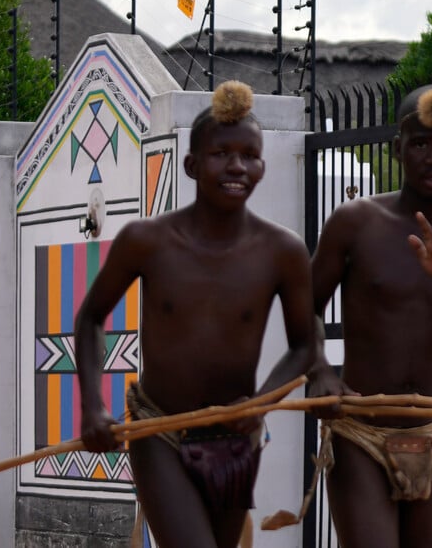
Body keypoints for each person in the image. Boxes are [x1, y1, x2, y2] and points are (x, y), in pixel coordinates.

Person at [75, 80, 318, 548]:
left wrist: (261, 403)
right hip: (157, 428)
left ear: (263, 165)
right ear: (191, 164)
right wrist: (93, 404)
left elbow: (306, 345)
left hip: (235, 441)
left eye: (250, 155)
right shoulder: (146, 241)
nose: (237, 166)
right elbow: (90, 317)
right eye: (221, 154)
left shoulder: (283, 251)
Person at [307, 84, 432, 547]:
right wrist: (319, 370)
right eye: (421, 143)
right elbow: (304, 305)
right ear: (398, 148)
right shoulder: (354, 222)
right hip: (360, 431)